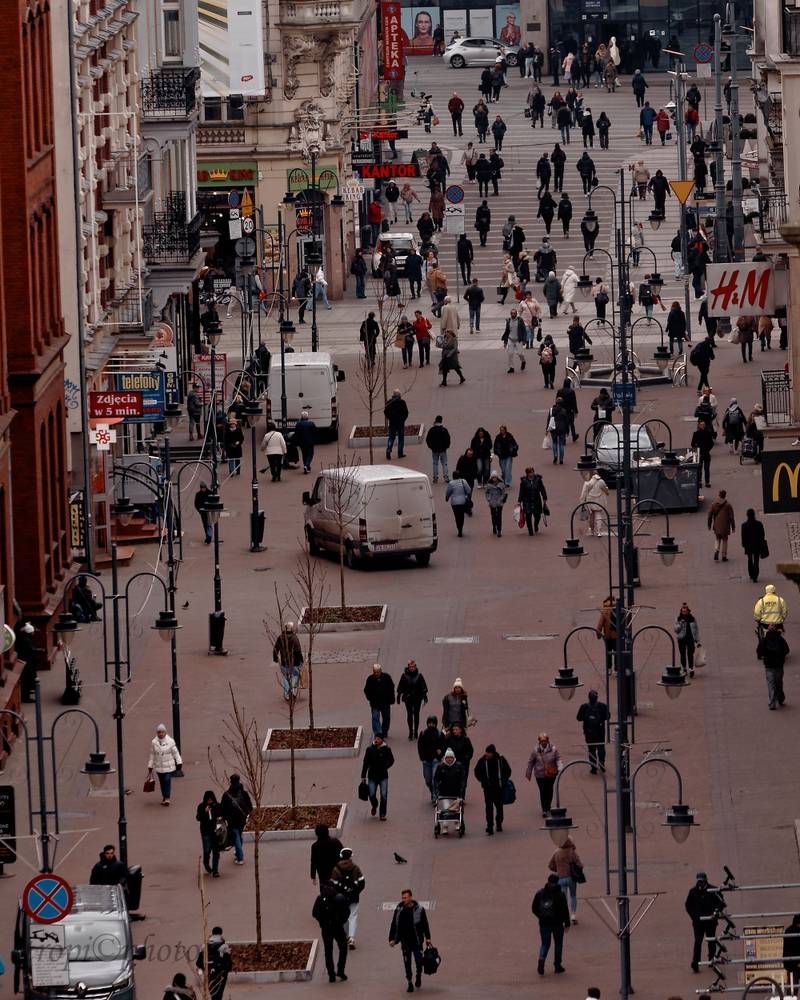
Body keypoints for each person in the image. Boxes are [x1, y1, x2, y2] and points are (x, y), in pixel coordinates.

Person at [388, 889, 432, 993]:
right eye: (402, 898)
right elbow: (394, 924)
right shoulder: (399, 910)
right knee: (407, 963)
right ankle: (410, 982)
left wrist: (428, 938)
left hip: (417, 942)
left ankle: (418, 976)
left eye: (405, 897)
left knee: (419, 962)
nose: (404, 900)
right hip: (405, 942)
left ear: (411, 897)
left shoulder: (420, 909)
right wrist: (391, 939)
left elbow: (425, 924)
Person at [532, 874, 571, 975]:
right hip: (557, 924)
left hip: (544, 923)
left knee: (545, 944)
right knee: (558, 944)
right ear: (557, 882)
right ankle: (557, 966)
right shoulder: (561, 895)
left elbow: (534, 908)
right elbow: (565, 910)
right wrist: (567, 923)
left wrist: (541, 916)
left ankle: (541, 958)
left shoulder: (540, 893)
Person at [685, 873, 724, 972]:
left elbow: (721, 903)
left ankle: (711, 960)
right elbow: (688, 906)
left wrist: (715, 913)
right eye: (699, 881)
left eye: (702, 881)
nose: (700, 883)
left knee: (711, 941)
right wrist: (694, 917)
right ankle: (695, 963)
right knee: (698, 941)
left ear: (706, 880)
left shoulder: (713, 890)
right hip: (698, 923)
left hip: (710, 922)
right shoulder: (693, 891)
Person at [313, 881, 350, 983]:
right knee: (343, 948)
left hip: (326, 929)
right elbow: (347, 912)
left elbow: (315, 913)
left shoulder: (320, 898)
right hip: (338, 928)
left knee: (328, 951)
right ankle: (340, 971)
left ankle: (331, 975)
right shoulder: (339, 898)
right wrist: (341, 921)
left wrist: (322, 922)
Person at [331, 847, 365, 949]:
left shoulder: (336, 869)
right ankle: (352, 938)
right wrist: (356, 891)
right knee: (353, 916)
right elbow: (362, 882)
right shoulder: (355, 868)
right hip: (354, 897)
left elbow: (333, 884)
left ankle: (345, 936)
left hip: (341, 898)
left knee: (343, 917)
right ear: (351, 857)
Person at [474, 743, 511, 835]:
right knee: (489, 807)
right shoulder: (483, 760)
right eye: (486, 752)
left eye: (489, 753)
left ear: (493, 753)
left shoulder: (500, 760)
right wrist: (482, 781)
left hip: (498, 788)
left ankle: (499, 823)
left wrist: (503, 781)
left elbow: (508, 771)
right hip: (487, 788)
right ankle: (489, 826)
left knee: (499, 806)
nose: (487, 754)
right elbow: (476, 771)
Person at [525, 732, 561, 816]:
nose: (543, 743)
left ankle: (548, 806)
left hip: (551, 774)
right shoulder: (535, 751)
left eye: (545, 741)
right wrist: (528, 772)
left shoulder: (553, 749)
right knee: (543, 791)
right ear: (539, 742)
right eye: (542, 741)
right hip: (540, 775)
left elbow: (558, 758)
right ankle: (544, 809)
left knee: (549, 790)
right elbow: (531, 762)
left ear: (548, 741)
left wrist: (560, 767)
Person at [361, 731, 394, 820]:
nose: (376, 740)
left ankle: (382, 814)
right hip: (372, 776)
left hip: (383, 776)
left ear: (382, 740)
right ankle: (374, 805)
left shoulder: (386, 749)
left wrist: (385, 767)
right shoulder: (370, 749)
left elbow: (391, 760)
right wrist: (363, 776)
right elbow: (365, 763)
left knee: (384, 795)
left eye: (378, 738)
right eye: (375, 738)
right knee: (371, 794)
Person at [549, 836, 582, 923]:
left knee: (563, 898)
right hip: (571, 878)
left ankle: (564, 915)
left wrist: (558, 869)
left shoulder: (556, 852)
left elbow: (550, 865)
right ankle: (573, 914)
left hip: (560, 878)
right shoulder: (572, 852)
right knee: (573, 895)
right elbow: (580, 864)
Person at [220, 774, 252, 866]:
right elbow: (249, 805)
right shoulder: (244, 793)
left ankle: (240, 857)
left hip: (231, 820)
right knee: (239, 834)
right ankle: (238, 851)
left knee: (236, 837)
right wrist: (247, 813)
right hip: (242, 818)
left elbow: (222, 808)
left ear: (231, 781)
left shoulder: (226, 795)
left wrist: (224, 817)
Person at [147, 724, 182, 806]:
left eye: (162, 732)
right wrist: (150, 766)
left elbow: (175, 753)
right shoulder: (154, 742)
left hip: (169, 767)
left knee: (167, 780)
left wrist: (179, 762)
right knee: (162, 782)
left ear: (165, 732)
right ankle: (164, 796)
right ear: (157, 733)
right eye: (159, 732)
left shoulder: (170, 741)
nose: (161, 734)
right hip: (159, 767)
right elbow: (152, 755)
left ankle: (167, 798)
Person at [759, 623, 790, 710]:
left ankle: (772, 703)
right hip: (779, 665)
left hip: (769, 665)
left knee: (771, 684)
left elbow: (759, 651)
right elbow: (787, 650)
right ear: (776, 630)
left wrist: (763, 655)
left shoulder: (764, 640)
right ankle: (780, 698)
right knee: (779, 683)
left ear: (768, 630)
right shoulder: (781, 639)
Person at [576, 690, 608, 773]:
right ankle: (601, 762)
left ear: (589, 698)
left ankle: (593, 767)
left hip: (588, 732)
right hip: (600, 732)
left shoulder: (584, 707)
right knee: (601, 748)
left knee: (591, 749)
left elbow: (578, 718)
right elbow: (608, 716)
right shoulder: (602, 706)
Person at [196, 927, 232, 1000]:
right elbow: (228, 962)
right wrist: (226, 970)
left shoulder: (204, 946)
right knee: (219, 992)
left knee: (212, 992)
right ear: (221, 933)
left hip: (208, 973)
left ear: (212, 933)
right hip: (220, 974)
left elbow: (198, 962)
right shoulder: (224, 946)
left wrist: (205, 969)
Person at [396, 659, 429, 741]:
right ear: (408, 667)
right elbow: (400, 686)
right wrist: (399, 696)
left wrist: (425, 696)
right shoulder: (404, 676)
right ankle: (411, 731)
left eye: (413, 667)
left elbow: (423, 687)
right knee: (409, 714)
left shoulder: (419, 676)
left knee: (416, 714)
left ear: (415, 667)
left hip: (417, 698)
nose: (412, 668)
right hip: (408, 698)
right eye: (410, 667)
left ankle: (416, 731)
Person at [272, 620, 303, 699]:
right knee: (296, 675)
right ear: (292, 629)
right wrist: (301, 660)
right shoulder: (294, 638)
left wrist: (275, 658)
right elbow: (298, 651)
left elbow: (276, 649)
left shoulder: (280, 637)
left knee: (286, 677)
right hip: (294, 662)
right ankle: (293, 690)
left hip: (284, 661)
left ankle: (287, 694)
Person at [196, 790, 223, 877]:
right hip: (206, 832)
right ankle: (206, 864)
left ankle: (215, 870)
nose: (210, 802)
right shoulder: (201, 806)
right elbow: (198, 818)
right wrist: (205, 811)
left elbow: (221, 817)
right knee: (207, 850)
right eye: (208, 800)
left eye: (211, 800)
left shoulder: (217, 806)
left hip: (215, 832)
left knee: (216, 851)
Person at [364, 663, 395, 737]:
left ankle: (384, 731)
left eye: (378, 671)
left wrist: (391, 698)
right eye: (375, 672)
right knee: (375, 718)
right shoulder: (370, 679)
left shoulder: (387, 677)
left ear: (381, 670)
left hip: (385, 702)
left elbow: (391, 688)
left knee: (386, 718)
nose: (376, 673)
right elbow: (366, 690)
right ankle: (378, 733)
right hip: (375, 703)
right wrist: (369, 698)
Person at [518, 466, 548, 536]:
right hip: (527, 501)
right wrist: (519, 501)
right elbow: (521, 491)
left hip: (536, 500)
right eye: (530, 473)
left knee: (537, 515)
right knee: (528, 516)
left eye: (532, 472)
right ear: (527, 474)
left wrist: (544, 498)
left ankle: (536, 525)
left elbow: (542, 489)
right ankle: (530, 530)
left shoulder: (538, 480)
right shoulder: (524, 482)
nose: (531, 474)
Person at [708, 489, 734, 562]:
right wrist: (733, 526)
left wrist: (709, 525)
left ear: (719, 495)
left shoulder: (713, 504)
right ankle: (724, 556)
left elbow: (709, 516)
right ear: (725, 495)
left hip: (717, 525)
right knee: (725, 540)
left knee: (717, 539)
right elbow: (731, 517)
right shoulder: (728, 505)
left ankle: (716, 551)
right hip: (725, 526)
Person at [675, 603, 700, 678]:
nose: (684, 613)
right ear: (681, 611)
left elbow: (696, 630)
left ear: (688, 611)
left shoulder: (692, 619)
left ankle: (691, 669)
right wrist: (680, 624)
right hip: (681, 639)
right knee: (682, 654)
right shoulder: (678, 619)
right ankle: (684, 669)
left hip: (690, 639)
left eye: (685, 611)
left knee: (690, 654)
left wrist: (697, 640)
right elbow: (676, 630)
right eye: (683, 611)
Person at [741, 509, 767, 583]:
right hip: (757, 544)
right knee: (756, 560)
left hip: (748, 545)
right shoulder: (759, 524)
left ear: (747, 515)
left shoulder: (744, 525)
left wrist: (743, 544)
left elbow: (743, 536)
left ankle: (751, 574)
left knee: (749, 559)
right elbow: (762, 534)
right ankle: (755, 575)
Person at [384, 389, 409, 461]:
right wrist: (403, 419)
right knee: (401, 438)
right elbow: (406, 412)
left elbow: (385, 411)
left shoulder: (389, 402)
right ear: (399, 395)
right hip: (400, 423)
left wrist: (390, 418)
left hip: (392, 423)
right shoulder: (402, 402)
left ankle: (389, 449)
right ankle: (400, 453)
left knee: (391, 437)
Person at [547, 395, 571, 465]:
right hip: (562, 428)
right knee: (561, 444)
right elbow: (566, 421)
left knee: (554, 443)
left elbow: (548, 420)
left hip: (553, 428)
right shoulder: (564, 411)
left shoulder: (551, 410)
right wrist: (567, 430)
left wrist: (547, 429)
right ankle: (561, 459)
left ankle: (555, 455)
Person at [502, 309, 528, 374]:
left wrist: (524, 340)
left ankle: (523, 361)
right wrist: (505, 342)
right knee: (510, 354)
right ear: (510, 314)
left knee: (520, 353)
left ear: (516, 314)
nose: (513, 315)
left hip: (518, 340)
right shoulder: (508, 321)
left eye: (514, 313)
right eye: (512, 313)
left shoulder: (520, 320)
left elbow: (524, 330)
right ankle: (511, 367)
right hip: (510, 339)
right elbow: (506, 332)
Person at [691, 419, 714, 489]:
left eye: (704, 425)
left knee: (706, 469)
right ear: (699, 425)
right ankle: (700, 481)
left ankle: (707, 482)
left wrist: (708, 449)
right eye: (701, 425)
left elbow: (711, 443)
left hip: (706, 453)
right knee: (700, 469)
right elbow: (692, 444)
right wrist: (697, 450)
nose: (703, 426)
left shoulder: (708, 433)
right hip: (700, 454)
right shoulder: (696, 433)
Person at [485, 470, 508, 537]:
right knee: (493, 516)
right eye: (493, 477)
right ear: (491, 478)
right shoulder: (489, 485)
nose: (494, 479)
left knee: (499, 516)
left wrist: (501, 499)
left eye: (495, 477)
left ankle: (499, 530)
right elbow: (486, 493)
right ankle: (494, 526)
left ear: (497, 477)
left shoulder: (501, 484)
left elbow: (503, 493)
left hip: (499, 503)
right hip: (492, 502)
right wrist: (489, 499)